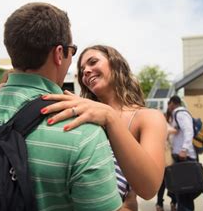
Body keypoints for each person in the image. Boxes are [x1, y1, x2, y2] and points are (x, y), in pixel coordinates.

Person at [0, 2, 140, 211]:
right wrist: (131, 205)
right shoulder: (82, 130)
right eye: (74, 52)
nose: (83, 71)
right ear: (59, 54)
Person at [41, 45, 167, 202]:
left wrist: (110, 117)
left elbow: (149, 189)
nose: (86, 71)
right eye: (82, 70)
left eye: (93, 62)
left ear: (116, 64)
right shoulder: (80, 112)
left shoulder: (149, 118)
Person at [165, 95, 197, 211]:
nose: (168, 106)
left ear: (172, 103)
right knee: (186, 188)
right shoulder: (180, 113)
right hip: (183, 154)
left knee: (182, 188)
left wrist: (184, 149)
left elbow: (189, 131)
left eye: (169, 104)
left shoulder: (179, 113)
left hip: (184, 155)